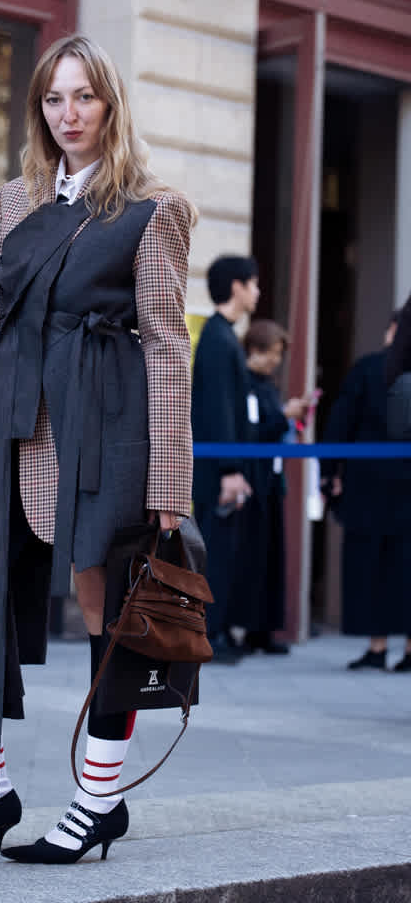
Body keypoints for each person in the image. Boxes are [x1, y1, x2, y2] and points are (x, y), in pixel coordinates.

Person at [0, 35, 195, 864]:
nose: (69, 114)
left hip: (101, 424)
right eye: (55, 99)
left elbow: (167, 346)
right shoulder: (15, 200)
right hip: (4, 423)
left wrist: (171, 480)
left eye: (85, 97)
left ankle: (97, 803)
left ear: (111, 105)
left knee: (105, 608)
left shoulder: (152, 209)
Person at [321, 309, 411, 672]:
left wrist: (330, 474)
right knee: (406, 566)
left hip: (370, 485)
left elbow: (340, 424)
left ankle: (377, 647)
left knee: (376, 567)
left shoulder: (369, 368)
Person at [190, 254, 259, 662]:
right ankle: (208, 634)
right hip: (218, 469)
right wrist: (231, 469)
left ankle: (218, 631)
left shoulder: (225, 336)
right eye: (253, 283)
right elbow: (218, 410)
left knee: (225, 550)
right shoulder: (218, 339)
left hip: (226, 465)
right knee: (214, 551)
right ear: (236, 286)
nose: (257, 291)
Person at [232, 320, 311, 655]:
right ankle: (248, 627)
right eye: (274, 352)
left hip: (272, 480)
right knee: (252, 557)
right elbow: (253, 432)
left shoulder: (267, 384)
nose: (277, 360)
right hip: (254, 480)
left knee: (271, 556)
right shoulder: (245, 384)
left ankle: (263, 629)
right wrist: (284, 416)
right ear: (256, 349)